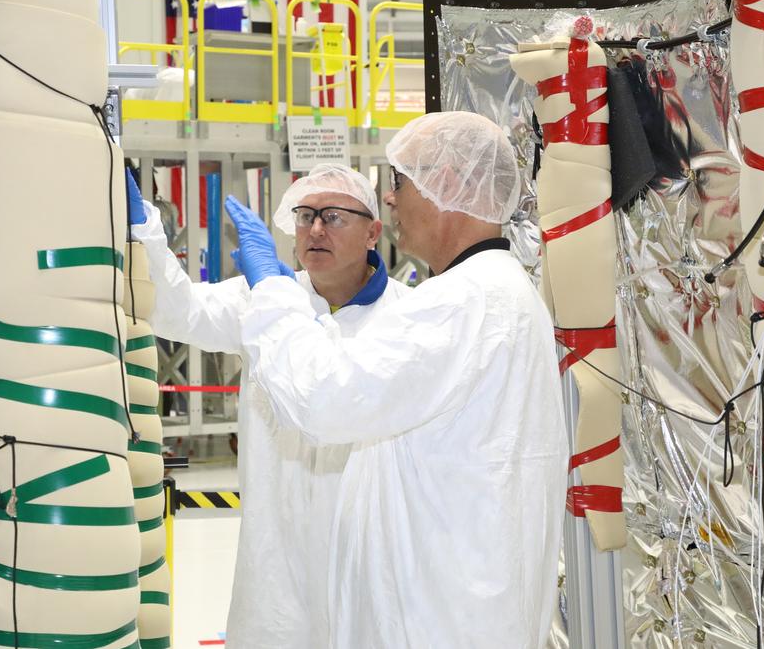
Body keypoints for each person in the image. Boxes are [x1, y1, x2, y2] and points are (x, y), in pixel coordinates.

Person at [225, 111, 568, 649]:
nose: (390, 199)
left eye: (400, 182)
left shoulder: (459, 304)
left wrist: (272, 289)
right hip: (459, 609)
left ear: (446, 184)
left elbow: (321, 399)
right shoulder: (499, 294)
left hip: (437, 620)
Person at [126, 164, 408, 648]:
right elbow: (177, 311)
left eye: (334, 216)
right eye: (304, 216)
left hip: (369, 564)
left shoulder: (407, 319)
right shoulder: (261, 299)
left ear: (373, 231)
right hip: (275, 568)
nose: (315, 229)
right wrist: (142, 226)